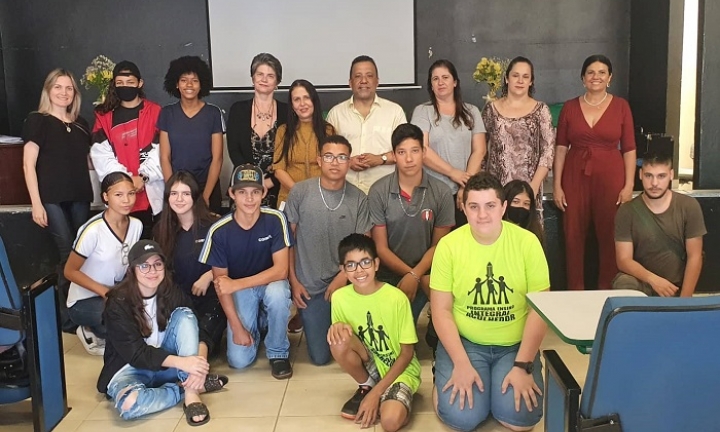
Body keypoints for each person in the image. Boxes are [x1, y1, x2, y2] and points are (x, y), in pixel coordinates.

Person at [430, 172, 549, 432]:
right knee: (463, 419)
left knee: (520, 420)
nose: (482, 215)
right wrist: (460, 363)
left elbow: (539, 311)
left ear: (504, 207)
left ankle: (495, 387)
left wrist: (522, 364)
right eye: (474, 206)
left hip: (513, 346)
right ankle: (444, 372)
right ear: (463, 208)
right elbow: (440, 311)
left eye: (490, 206)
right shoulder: (448, 246)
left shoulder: (528, 243)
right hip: (467, 343)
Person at [98, 240, 228, 426]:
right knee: (129, 405)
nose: (152, 271)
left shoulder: (171, 292)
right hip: (129, 368)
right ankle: (181, 390)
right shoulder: (117, 303)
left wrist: (198, 367)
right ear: (132, 270)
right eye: (144, 266)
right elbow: (137, 354)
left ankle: (191, 395)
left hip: (168, 365)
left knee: (186, 315)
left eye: (157, 264)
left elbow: (198, 333)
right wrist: (185, 364)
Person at [199, 164, 294, 379]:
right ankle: (260, 325)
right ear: (232, 194)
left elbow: (281, 271)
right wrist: (236, 326)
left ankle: (278, 351)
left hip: (269, 284)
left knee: (278, 293)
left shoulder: (275, 219)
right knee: (239, 361)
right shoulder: (219, 230)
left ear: (264, 193)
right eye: (242, 192)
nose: (249, 199)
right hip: (240, 292)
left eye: (255, 192)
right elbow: (222, 285)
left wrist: (237, 283)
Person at [285, 135, 372, 366]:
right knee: (321, 358)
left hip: (350, 284)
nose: (335, 162)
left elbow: (363, 248)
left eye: (342, 157)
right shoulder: (300, 192)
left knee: (364, 347)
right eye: (329, 156)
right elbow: (287, 241)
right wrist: (294, 281)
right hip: (310, 287)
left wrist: (342, 277)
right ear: (319, 160)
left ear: (349, 161)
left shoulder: (359, 199)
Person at [553, 54, 636, 290]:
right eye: (590, 72)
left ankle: (606, 292)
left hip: (611, 175)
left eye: (602, 72)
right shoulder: (569, 107)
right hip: (574, 175)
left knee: (610, 234)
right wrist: (557, 185)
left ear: (610, 78)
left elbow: (629, 149)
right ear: (582, 78)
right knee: (573, 236)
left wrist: (629, 185)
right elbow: (560, 148)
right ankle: (575, 291)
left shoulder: (621, 106)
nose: (596, 76)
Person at [22, 68, 94, 333]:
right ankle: (67, 320)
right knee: (66, 254)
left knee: (82, 255)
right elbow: (28, 165)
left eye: (69, 88)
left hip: (80, 196)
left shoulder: (81, 124)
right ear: (48, 90)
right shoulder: (37, 121)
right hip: (50, 198)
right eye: (58, 87)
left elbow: (89, 162)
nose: (63, 93)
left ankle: (82, 310)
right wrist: (36, 203)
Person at [329, 234, 422, 432]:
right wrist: (335, 329)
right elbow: (343, 339)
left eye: (365, 262)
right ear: (343, 270)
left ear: (376, 264)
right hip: (370, 361)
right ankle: (366, 385)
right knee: (337, 337)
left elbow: (407, 354)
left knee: (389, 423)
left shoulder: (396, 298)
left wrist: (376, 395)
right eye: (351, 265)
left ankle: (382, 394)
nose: (359, 270)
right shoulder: (340, 297)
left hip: (400, 370)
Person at [368, 124, 455, 324]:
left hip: (428, 272)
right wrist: (410, 275)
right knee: (394, 336)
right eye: (401, 152)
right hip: (389, 274)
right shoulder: (378, 191)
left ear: (424, 152)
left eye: (415, 151)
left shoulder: (441, 191)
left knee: (447, 322)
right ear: (393, 155)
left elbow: (439, 246)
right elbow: (380, 247)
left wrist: (415, 275)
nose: (409, 159)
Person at [64, 172, 143, 356]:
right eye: (118, 195)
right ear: (105, 197)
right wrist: (104, 292)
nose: (126, 200)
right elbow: (69, 271)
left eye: (131, 193)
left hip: (116, 293)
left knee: (146, 320)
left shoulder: (136, 225)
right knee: (124, 326)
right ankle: (89, 329)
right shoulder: (92, 230)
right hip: (85, 300)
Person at [154, 171, 226, 358]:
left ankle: (197, 367)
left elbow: (232, 261)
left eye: (185, 194)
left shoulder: (214, 225)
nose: (179, 199)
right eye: (174, 194)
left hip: (212, 297)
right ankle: (196, 372)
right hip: (178, 301)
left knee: (203, 335)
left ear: (195, 196)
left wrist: (209, 276)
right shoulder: (161, 230)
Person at [613, 153, 706, 297]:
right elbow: (624, 260)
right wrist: (653, 280)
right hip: (643, 283)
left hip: (675, 287)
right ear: (640, 175)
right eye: (649, 176)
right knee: (623, 283)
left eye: (661, 176)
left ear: (671, 175)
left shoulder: (689, 206)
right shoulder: (627, 211)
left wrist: (684, 301)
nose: (654, 183)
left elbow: (695, 256)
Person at [91, 60, 164, 239]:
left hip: (152, 193)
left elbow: (163, 149)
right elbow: (100, 154)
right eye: (120, 83)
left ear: (140, 83)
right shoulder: (103, 116)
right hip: (120, 196)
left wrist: (144, 176)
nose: (125, 87)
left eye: (130, 82)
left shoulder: (156, 112)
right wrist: (124, 182)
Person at [411, 59, 486, 226]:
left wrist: (466, 184)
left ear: (455, 82)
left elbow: (479, 150)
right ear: (430, 85)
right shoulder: (423, 111)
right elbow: (421, 149)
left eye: (445, 77)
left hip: (466, 191)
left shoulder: (472, 111)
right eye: (435, 79)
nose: (440, 82)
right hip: (432, 192)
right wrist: (453, 173)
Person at [482, 56, 555, 223]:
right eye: (515, 75)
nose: (520, 80)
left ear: (531, 81)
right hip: (496, 190)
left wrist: (532, 188)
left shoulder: (541, 110)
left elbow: (548, 151)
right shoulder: (491, 110)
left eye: (525, 76)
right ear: (507, 79)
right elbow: (481, 150)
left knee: (527, 240)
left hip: (529, 189)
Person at [326, 55, 407, 194]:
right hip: (344, 193)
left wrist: (380, 159)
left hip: (385, 194)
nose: (363, 81)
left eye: (369, 76)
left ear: (377, 81)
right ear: (350, 83)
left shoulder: (395, 112)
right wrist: (348, 161)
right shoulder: (336, 114)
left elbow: (405, 151)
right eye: (358, 76)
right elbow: (325, 155)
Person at [159, 56, 225, 213]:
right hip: (178, 187)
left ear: (202, 84)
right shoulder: (167, 113)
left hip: (207, 186)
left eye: (194, 80)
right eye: (184, 80)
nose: (189, 85)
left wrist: (205, 196)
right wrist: (173, 192)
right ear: (176, 83)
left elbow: (217, 158)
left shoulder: (213, 113)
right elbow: (164, 157)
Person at [227, 53, 288, 208]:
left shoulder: (287, 112)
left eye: (270, 76)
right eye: (259, 74)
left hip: (277, 187)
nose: (264, 79)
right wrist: (252, 183)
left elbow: (289, 155)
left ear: (277, 82)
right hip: (243, 186)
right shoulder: (238, 110)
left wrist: (269, 182)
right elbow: (234, 150)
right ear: (253, 78)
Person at [272, 79, 335, 208]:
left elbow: (333, 168)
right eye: (297, 99)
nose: (302, 104)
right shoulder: (283, 131)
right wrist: (299, 192)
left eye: (306, 98)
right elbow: (279, 170)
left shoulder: (328, 131)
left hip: (322, 198)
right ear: (292, 105)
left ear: (314, 100)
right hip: (289, 197)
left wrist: (316, 195)